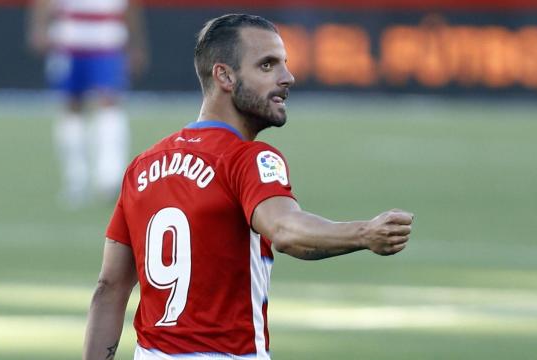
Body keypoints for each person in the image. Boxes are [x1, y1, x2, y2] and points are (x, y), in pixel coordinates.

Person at [83, 14, 414, 360]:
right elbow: (285, 230)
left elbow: (109, 289)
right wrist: (365, 233)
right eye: (268, 65)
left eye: (284, 64)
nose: (287, 78)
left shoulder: (143, 166)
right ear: (224, 76)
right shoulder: (247, 159)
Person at [27, 0, 148, 207]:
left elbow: (131, 6)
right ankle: (76, 180)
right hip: (69, 41)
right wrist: (39, 27)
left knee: (109, 103)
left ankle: (109, 176)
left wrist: (136, 45)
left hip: (107, 41)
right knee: (72, 107)